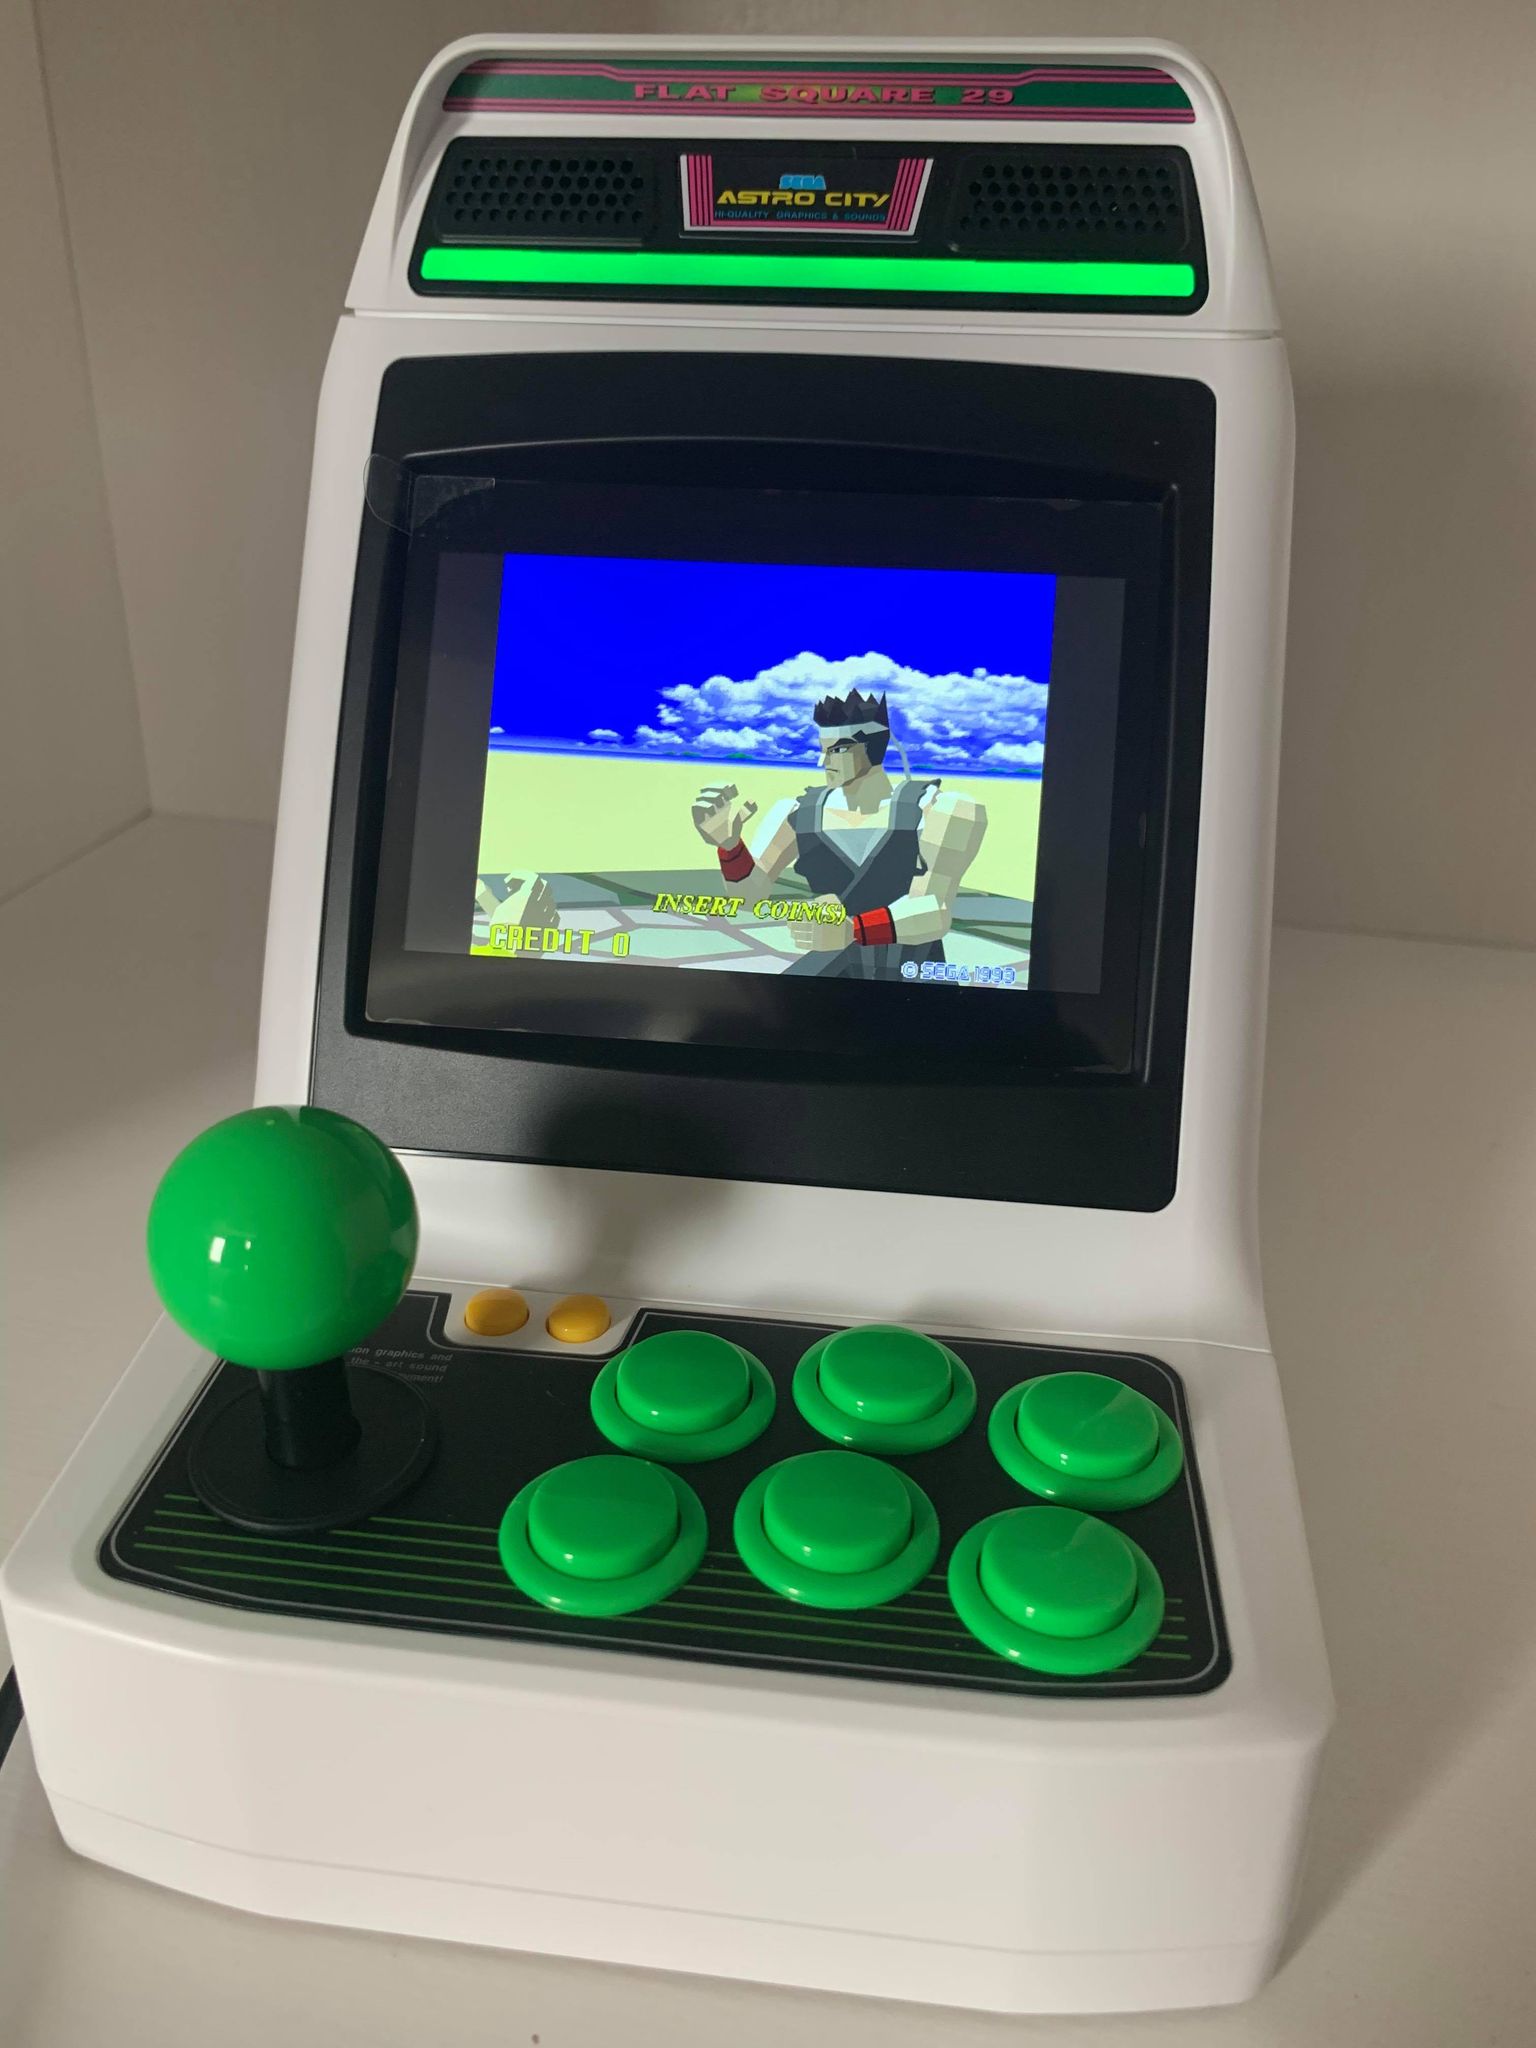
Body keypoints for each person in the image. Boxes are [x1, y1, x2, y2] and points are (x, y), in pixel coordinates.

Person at [690, 689, 986, 980]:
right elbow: (750, 897)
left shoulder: (940, 809)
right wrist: (730, 847)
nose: (824, 762)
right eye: (823, 749)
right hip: (834, 967)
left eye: (838, 750)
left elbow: (934, 910)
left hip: (913, 972)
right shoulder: (798, 812)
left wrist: (853, 930)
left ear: (873, 744)